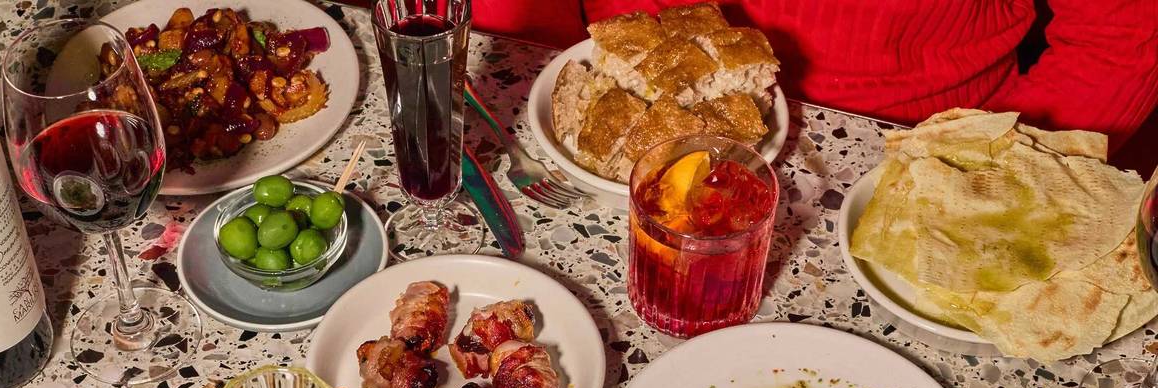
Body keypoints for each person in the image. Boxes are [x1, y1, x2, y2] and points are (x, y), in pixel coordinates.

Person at [473, 0, 1158, 167]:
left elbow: (1123, 35)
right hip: (600, 119)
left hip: (914, 151)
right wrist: (527, 68)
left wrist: (1003, 171)